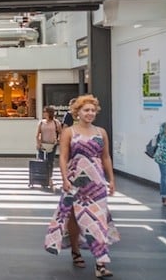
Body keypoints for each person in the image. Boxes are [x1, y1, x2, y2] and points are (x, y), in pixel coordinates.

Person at [44, 94, 118, 278]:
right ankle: (75, 251)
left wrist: (111, 179)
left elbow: (106, 157)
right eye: (86, 110)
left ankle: (101, 262)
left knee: (99, 219)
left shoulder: (101, 132)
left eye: (93, 110)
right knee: (74, 219)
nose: (90, 113)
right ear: (78, 112)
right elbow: (63, 156)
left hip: (96, 182)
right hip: (75, 180)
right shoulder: (70, 132)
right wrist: (64, 179)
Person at [35, 106, 62, 188]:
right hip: (43, 144)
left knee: (50, 162)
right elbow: (37, 134)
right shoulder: (41, 122)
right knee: (42, 162)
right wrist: (38, 143)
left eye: (45, 112)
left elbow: (60, 132)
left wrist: (58, 140)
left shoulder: (55, 122)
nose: (44, 113)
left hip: (52, 145)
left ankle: (49, 178)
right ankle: (43, 179)